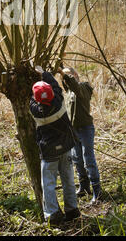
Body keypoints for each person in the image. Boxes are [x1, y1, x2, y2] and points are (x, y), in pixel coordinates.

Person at [30, 66, 80, 225]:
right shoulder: (58, 101)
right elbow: (56, 86)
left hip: (49, 151)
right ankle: (72, 209)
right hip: (65, 146)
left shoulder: (36, 110)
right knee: (68, 179)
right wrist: (43, 73)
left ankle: (52, 214)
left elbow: (31, 98)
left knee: (49, 184)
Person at [58, 66, 102, 205]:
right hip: (74, 130)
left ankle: (97, 191)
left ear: (75, 75)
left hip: (86, 129)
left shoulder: (83, 87)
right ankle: (84, 187)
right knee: (77, 159)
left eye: (68, 76)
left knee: (88, 159)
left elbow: (75, 86)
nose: (65, 80)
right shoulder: (70, 90)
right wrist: (60, 65)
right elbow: (69, 85)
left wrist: (63, 73)